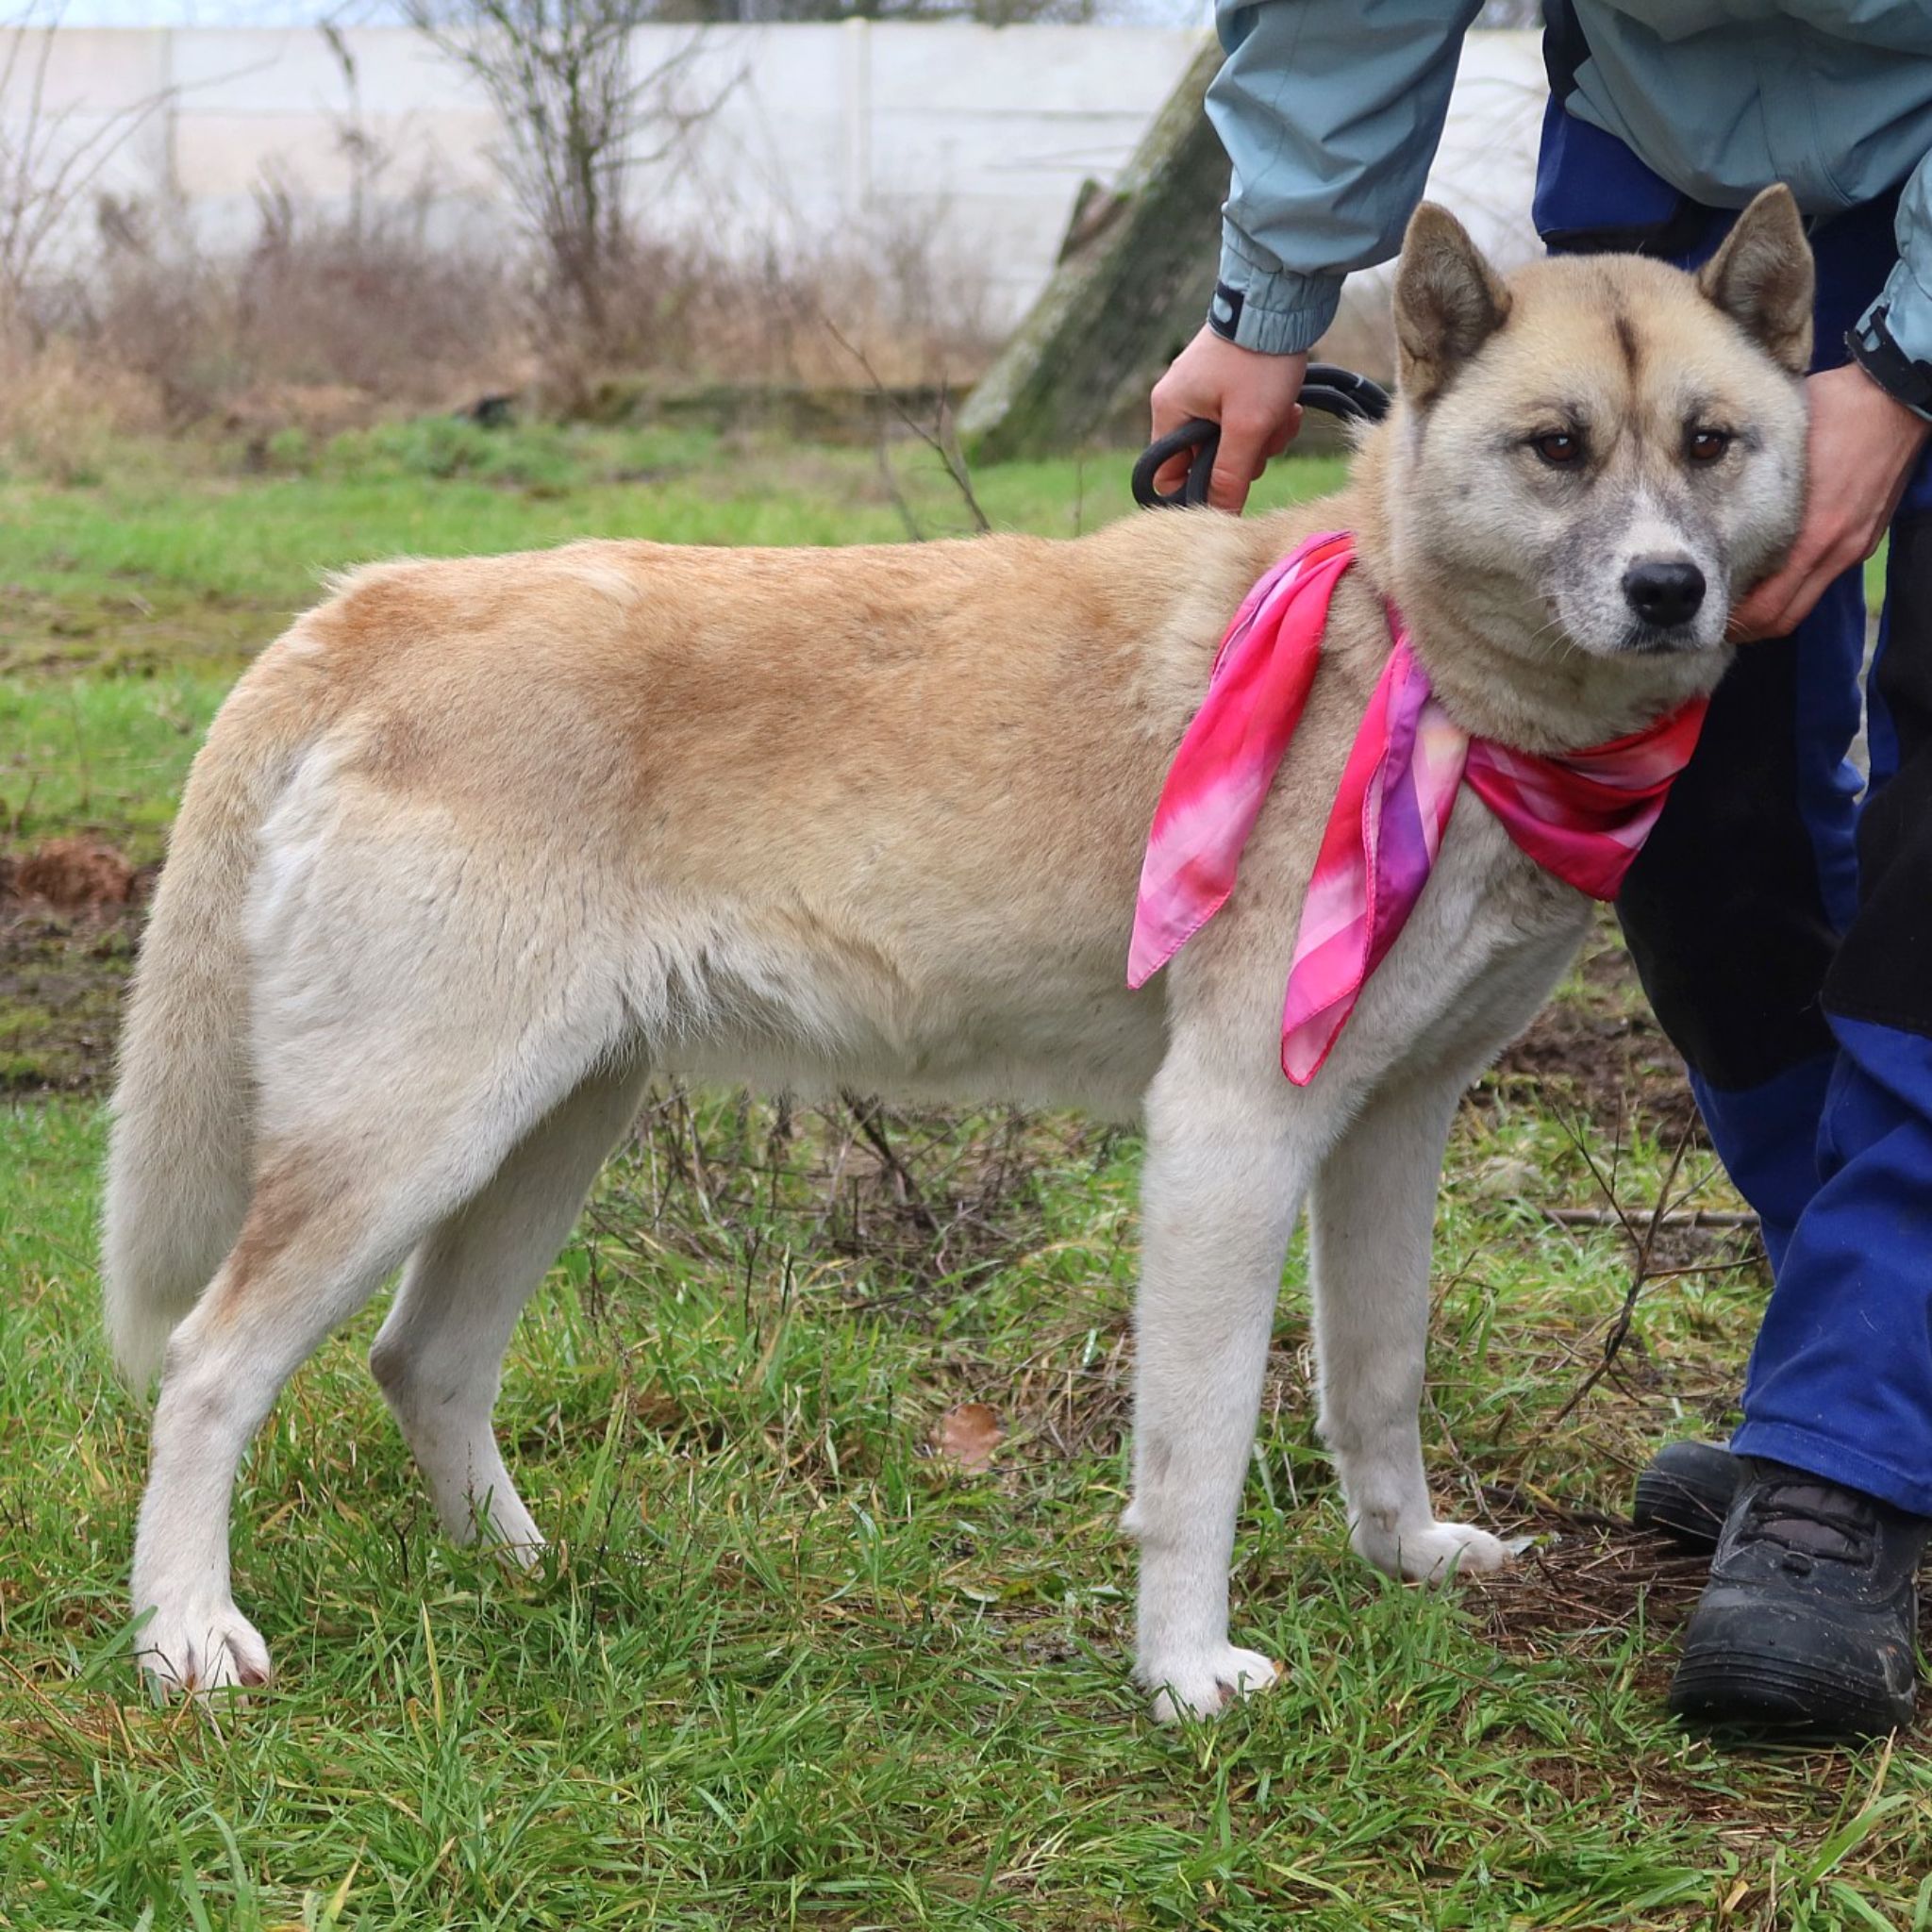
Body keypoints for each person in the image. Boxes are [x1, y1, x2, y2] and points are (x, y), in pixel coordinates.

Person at [1152, 0, 1932, 1738]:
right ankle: (1875, 1350)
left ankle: (1856, 1441)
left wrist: (1909, 364)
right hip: (1657, 178)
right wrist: (1268, 297)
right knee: (1704, 840)